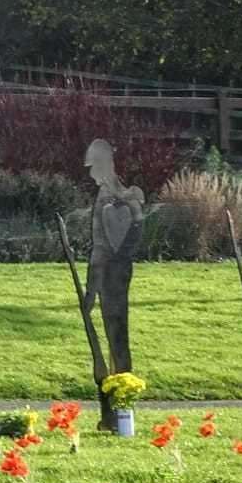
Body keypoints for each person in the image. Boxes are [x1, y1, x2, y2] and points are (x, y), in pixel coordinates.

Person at [83, 139, 144, 431]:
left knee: (114, 338)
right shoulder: (121, 195)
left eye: (93, 167)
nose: (91, 173)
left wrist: (91, 288)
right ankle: (119, 413)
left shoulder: (110, 197)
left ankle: (117, 413)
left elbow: (102, 248)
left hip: (109, 274)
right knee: (118, 338)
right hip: (120, 271)